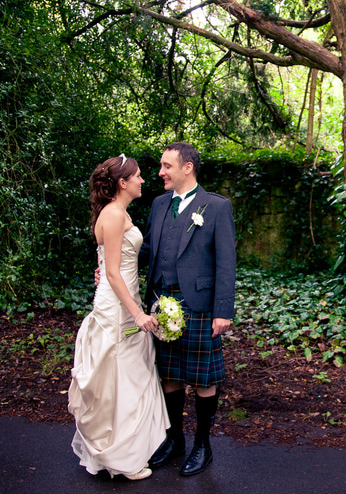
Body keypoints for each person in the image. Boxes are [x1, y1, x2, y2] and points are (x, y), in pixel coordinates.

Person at [68, 154, 169, 480]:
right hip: (117, 310)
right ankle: (119, 458)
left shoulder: (119, 212)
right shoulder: (112, 214)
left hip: (126, 300)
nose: (143, 180)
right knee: (119, 381)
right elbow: (112, 273)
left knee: (130, 379)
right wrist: (137, 314)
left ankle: (126, 452)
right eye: (137, 176)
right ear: (122, 182)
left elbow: (109, 263)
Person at [140, 142, 236, 477]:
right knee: (169, 376)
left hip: (199, 307)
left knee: (203, 379)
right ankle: (174, 440)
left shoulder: (216, 207)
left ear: (187, 167)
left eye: (167, 166)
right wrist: (112, 265)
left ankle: (202, 446)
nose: (160, 172)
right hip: (160, 302)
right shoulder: (159, 204)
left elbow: (226, 262)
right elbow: (147, 250)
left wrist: (223, 310)